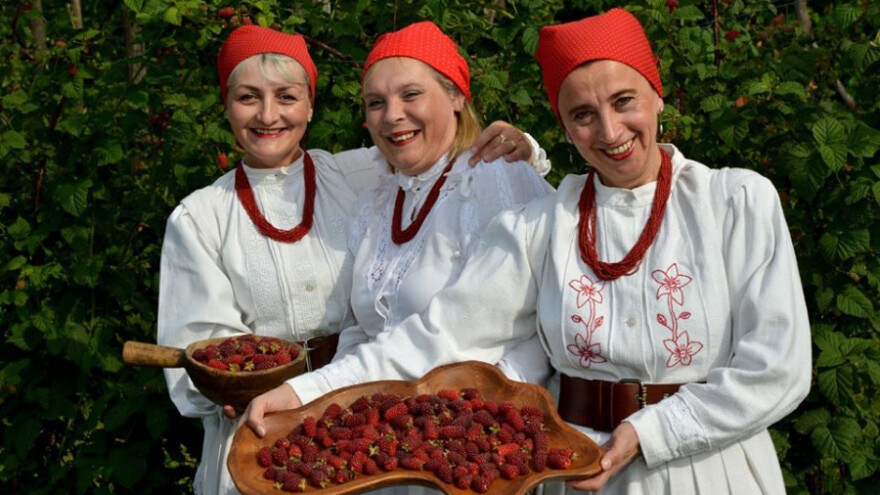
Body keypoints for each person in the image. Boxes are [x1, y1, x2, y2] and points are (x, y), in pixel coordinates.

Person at [245, 8, 811, 494]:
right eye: (582, 115)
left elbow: (777, 368)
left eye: (624, 101)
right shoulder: (542, 225)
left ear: (658, 96)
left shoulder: (735, 200)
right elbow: (441, 333)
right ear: (564, 126)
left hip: (709, 468)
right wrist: (301, 391)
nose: (610, 130)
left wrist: (654, 431)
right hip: (581, 470)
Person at [157, 25, 549, 495]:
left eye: (286, 96)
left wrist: (523, 149)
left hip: (453, 445)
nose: (268, 114)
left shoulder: (355, 176)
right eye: (247, 97)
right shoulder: (201, 217)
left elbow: (445, 157)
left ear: (310, 104)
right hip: (293, 427)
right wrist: (235, 389)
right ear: (225, 105)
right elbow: (198, 353)